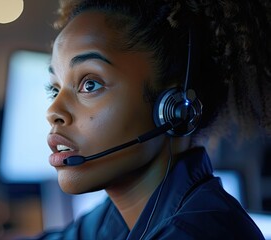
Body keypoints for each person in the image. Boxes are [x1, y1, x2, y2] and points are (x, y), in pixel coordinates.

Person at [36, 0, 270, 239]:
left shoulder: (196, 233)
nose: (53, 111)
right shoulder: (114, 219)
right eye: (55, 89)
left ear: (174, 109)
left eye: (90, 84)